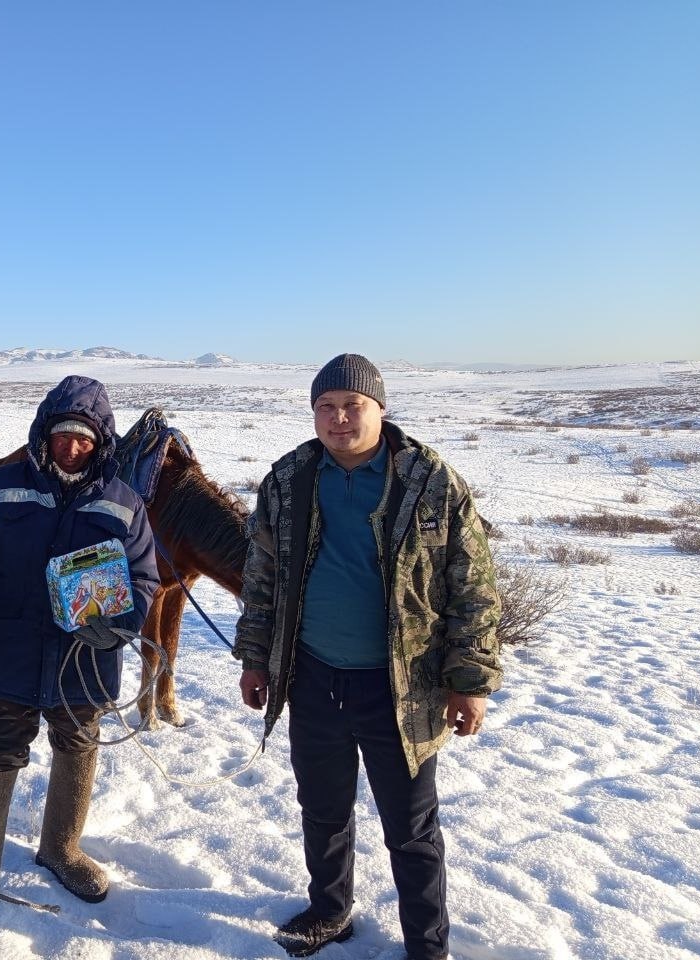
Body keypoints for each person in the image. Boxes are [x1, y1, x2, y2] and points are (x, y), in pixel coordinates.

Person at [234, 354, 502, 960]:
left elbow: (474, 587)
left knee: (411, 831)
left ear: (380, 408)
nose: (338, 418)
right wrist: (256, 659)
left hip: (403, 686)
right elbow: (263, 577)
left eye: (352, 405)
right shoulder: (289, 478)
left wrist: (471, 680)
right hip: (313, 675)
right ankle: (330, 911)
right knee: (323, 808)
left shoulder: (430, 480)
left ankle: (427, 947)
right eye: (325, 407)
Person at [0, 375, 160, 945]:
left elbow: (144, 578)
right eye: (63, 433)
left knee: (79, 743)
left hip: (83, 660)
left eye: (85, 437)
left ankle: (61, 848)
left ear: (102, 441)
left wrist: (120, 623)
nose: (72, 446)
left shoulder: (124, 502)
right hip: (5, 652)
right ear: (43, 433)